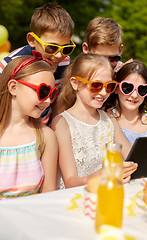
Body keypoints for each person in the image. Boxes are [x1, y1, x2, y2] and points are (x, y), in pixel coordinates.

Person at [0, 52, 58, 239]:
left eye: (52, 93)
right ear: (13, 87)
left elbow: (48, 192)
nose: (48, 100)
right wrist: (12, 223)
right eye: (43, 91)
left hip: (33, 221)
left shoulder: (46, 137)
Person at [0, 3, 75, 125]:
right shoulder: (11, 64)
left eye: (66, 48)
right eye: (51, 47)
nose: (59, 55)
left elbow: (59, 101)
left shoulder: (64, 63)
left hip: (45, 129)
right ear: (32, 40)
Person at [50, 53, 137, 189]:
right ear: (75, 83)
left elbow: (134, 155)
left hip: (105, 193)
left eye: (109, 87)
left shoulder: (109, 119)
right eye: (96, 85)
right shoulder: (62, 123)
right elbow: (70, 181)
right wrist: (102, 174)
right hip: (75, 198)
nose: (103, 93)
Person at [104, 59, 147, 145]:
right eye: (127, 88)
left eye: (142, 89)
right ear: (116, 88)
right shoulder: (105, 116)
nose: (134, 95)